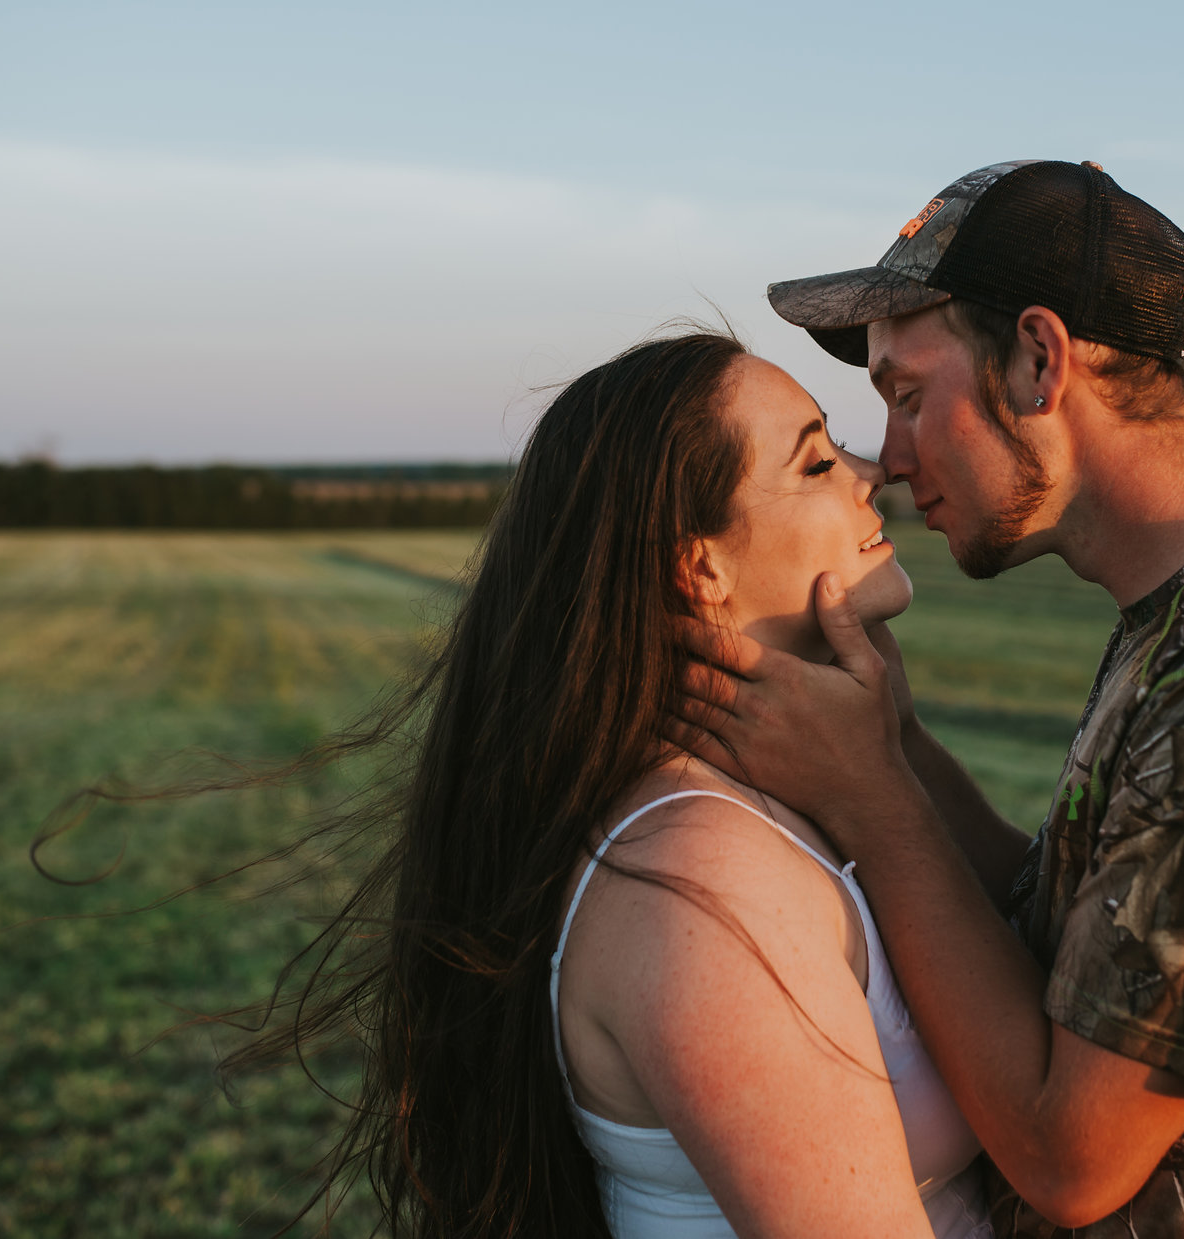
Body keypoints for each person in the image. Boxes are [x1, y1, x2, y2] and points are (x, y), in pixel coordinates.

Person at [673, 160, 1184, 1237]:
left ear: (1038, 359)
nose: (892, 459)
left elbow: (1071, 1157)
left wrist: (874, 800)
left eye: (908, 396)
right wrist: (896, 743)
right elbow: (1091, 951)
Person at [219, 331, 990, 1238]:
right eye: (818, 460)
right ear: (698, 566)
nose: (871, 470)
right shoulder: (704, 886)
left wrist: (891, 753)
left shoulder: (778, 805)